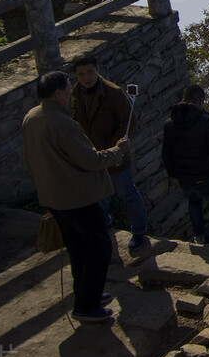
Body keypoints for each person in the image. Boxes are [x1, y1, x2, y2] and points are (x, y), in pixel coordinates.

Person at [22, 71, 130, 324]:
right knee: (99, 247)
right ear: (58, 93)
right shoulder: (62, 123)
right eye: (68, 90)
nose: (70, 95)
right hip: (77, 196)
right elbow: (90, 160)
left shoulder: (32, 117)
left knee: (77, 248)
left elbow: (29, 159)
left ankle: (85, 294)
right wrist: (117, 151)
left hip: (54, 196)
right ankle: (87, 306)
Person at [71, 54, 149, 250]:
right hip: (91, 156)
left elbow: (129, 120)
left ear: (97, 70)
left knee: (127, 193)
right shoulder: (75, 94)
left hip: (115, 155)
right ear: (76, 75)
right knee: (99, 196)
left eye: (90, 72)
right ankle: (105, 227)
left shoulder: (113, 92)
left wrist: (114, 147)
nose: (86, 78)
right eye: (81, 74)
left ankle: (139, 232)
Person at [162, 85, 209, 247]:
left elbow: (166, 154)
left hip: (183, 177)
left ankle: (199, 237)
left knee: (194, 201)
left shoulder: (170, 123)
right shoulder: (206, 121)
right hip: (204, 175)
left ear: (184, 98)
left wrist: (174, 174)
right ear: (201, 101)